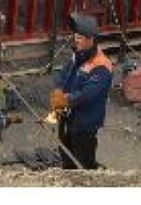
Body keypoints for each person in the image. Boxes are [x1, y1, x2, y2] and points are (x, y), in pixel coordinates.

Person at [51, 11, 113, 170]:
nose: (75, 40)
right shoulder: (77, 56)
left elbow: (87, 95)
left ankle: (87, 175)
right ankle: (68, 173)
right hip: (67, 117)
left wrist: (66, 100)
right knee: (66, 153)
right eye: (75, 36)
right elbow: (64, 75)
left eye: (79, 37)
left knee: (83, 160)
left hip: (85, 123)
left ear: (90, 39)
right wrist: (58, 90)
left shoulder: (101, 66)